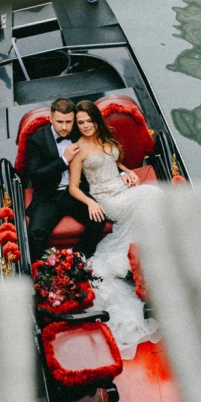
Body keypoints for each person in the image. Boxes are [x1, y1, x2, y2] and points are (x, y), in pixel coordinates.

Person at [67, 100, 161, 358]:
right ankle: (141, 262)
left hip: (122, 188)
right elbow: (73, 187)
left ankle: (143, 260)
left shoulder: (105, 137)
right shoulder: (78, 149)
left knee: (150, 199)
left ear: (96, 120)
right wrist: (91, 203)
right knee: (151, 197)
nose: (86, 126)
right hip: (107, 200)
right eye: (81, 123)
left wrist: (127, 171)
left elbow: (112, 162)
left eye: (89, 121)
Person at [24, 98, 107, 262]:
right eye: (59, 122)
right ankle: (44, 269)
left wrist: (123, 173)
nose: (64, 127)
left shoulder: (80, 133)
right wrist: (64, 160)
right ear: (51, 119)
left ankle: (78, 259)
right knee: (35, 232)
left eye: (68, 122)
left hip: (75, 192)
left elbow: (102, 153)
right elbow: (35, 176)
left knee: (98, 219)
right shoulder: (36, 140)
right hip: (49, 196)